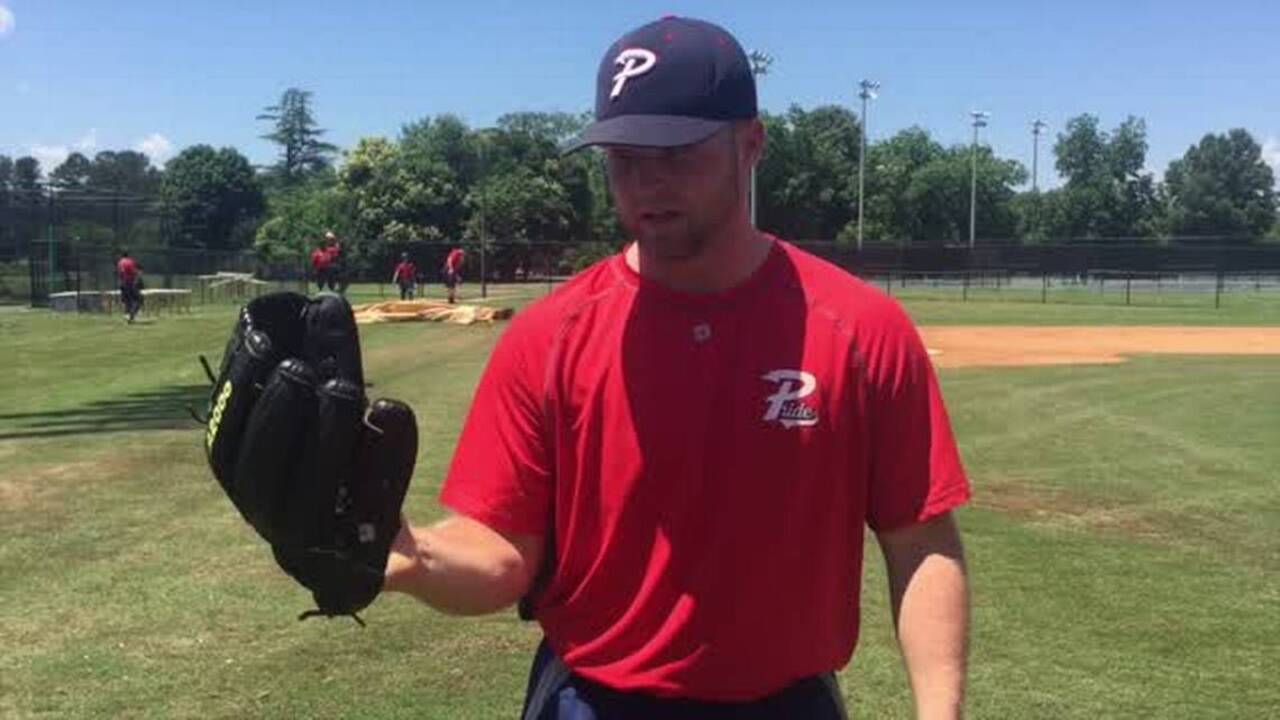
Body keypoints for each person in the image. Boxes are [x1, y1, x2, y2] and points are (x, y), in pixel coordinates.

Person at [384, 16, 971, 719]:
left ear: (750, 144)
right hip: (591, 700)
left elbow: (921, 542)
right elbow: (504, 554)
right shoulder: (549, 337)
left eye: (677, 153)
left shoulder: (860, 330)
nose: (648, 183)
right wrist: (411, 559)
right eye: (625, 159)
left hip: (788, 705)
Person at [116, 250, 143, 323]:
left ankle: (127, 314)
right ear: (128, 255)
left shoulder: (120, 262)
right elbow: (133, 272)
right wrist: (138, 274)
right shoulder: (129, 261)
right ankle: (132, 315)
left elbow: (120, 273)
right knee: (138, 299)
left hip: (122, 283)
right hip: (129, 283)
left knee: (127, 300)